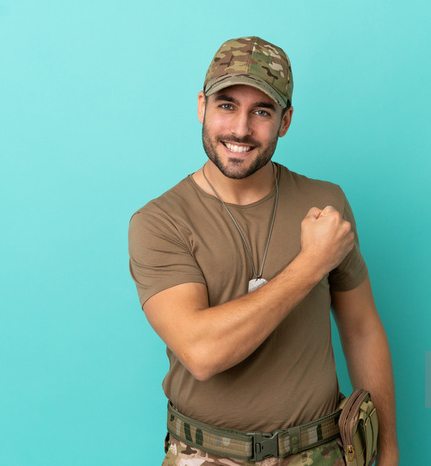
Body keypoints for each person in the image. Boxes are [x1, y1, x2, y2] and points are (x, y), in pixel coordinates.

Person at [128, 36, 399, 465]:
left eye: (262, 111)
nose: (240, 129)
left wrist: (387, 454)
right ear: (201, 106)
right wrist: (311, 264)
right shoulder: (160, 221)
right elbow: (202, 353)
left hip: (320, 452)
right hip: (206, 454)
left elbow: (362, 329)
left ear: (285, 121)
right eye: (227, 105)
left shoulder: (325, 206)